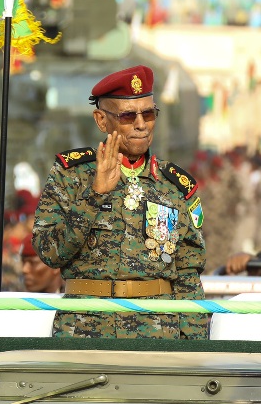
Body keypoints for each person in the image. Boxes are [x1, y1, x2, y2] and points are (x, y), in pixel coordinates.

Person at [32, 65, 207, 339]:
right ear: (102, 121)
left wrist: (192, 344)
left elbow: (188, 270)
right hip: (85, 328)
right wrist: (94, 195)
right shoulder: (72, 174)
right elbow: (49, 252)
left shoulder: (173, 185)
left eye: (148, 113)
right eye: (128, 116)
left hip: (157, 330)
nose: (141, 124)